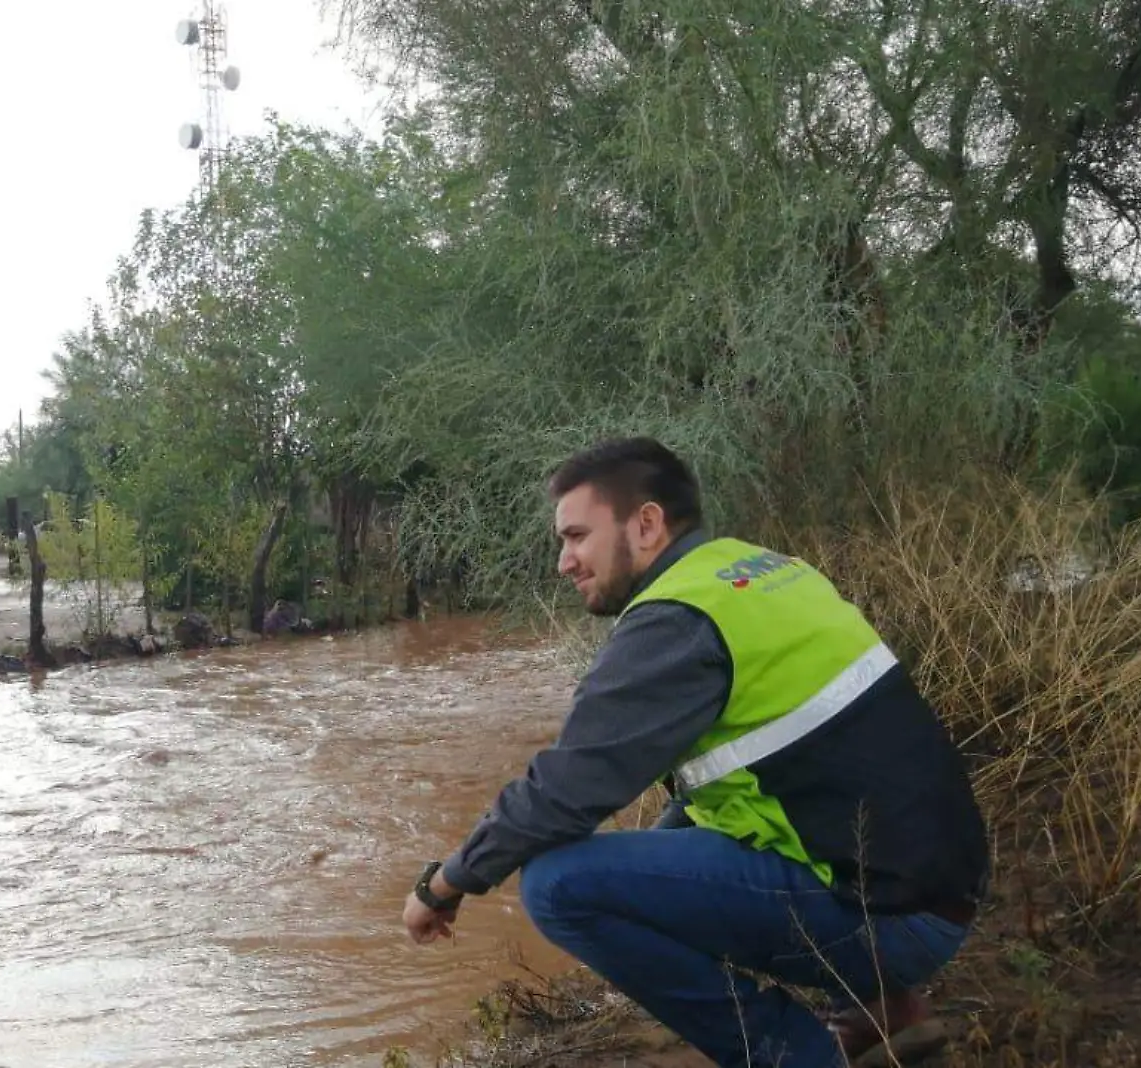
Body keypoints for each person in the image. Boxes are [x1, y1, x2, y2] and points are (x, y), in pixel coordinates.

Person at [400, 437, 990, 1068]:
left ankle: (798, 1055)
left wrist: (444, 884)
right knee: (677, 823)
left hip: (894, 923)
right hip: (942, 885)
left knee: (557, 885)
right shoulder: (754, 569)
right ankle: (888, 1008)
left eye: (576, 536)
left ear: (647, 523)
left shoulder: (675, 620)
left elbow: (562, 793)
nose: (564, 562)